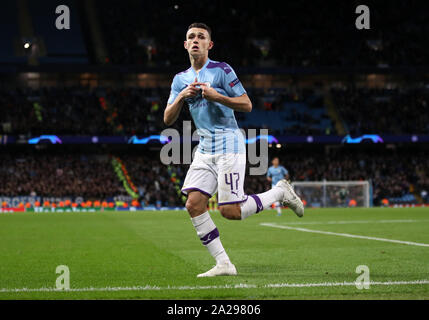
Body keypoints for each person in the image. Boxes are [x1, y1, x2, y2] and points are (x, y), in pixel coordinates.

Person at [164, 22, 304, 277]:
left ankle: (279, 192)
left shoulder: (222, 70)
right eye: (191, 37)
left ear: (209, 44)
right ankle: (224, 264)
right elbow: (167, 119)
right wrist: (182, 96)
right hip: (204, 148)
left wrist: (217, 96)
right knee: (194, 205)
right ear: (185, 45)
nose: (195, 40)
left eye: (201, 37)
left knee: (230, 211)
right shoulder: (179, 80)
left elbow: (247, 104)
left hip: (229, 144)